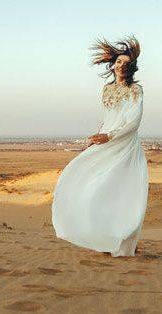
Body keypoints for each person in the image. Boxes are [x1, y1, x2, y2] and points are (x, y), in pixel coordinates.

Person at [51, 35, 149, 257]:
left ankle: (126, 244)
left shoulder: (136, 90)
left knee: (125, 193)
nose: (121, 66)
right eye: (118, 62)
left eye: (126, 63)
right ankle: (104, 238)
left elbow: (134, 121)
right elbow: (107, 118)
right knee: (93, 186)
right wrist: (97, 138)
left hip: (125, 146)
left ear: (131, 67)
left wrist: (110, 135)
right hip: (105, 143)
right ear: (113, 65)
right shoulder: (106, 89)